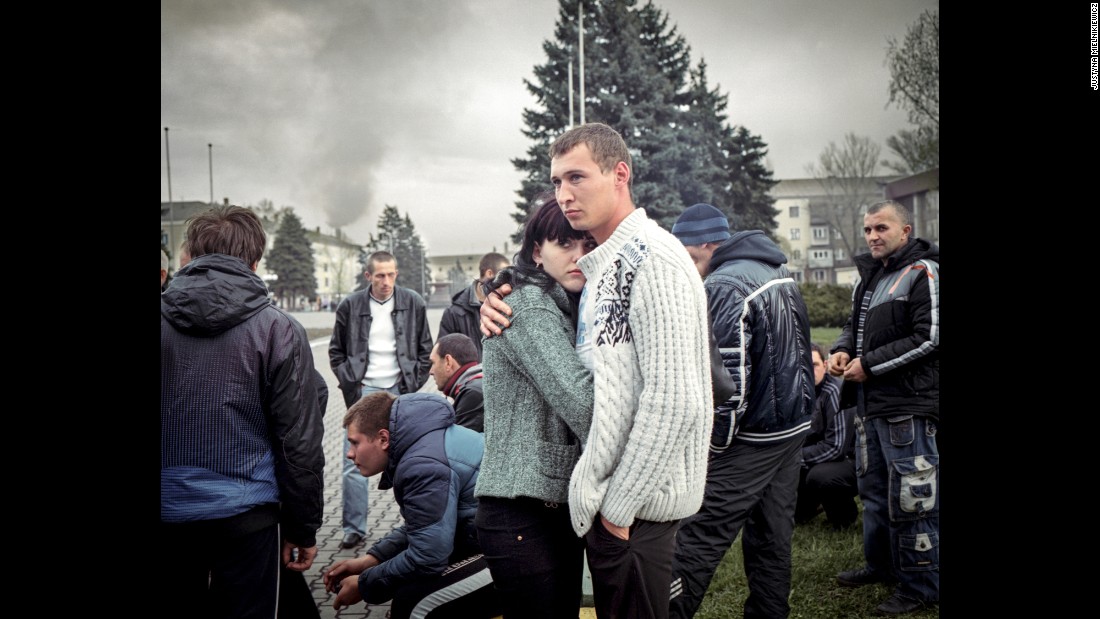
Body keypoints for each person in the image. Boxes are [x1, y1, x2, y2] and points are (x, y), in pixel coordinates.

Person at [483, 123, 713, 619]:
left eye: (577, 178)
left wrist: (617, 509)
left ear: (619, 174)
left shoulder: (653, 259)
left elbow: (675, 402)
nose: (564, 195)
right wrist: (505, 287)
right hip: (588, 507)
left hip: (634, 510)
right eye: (557, 182)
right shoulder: (600, 273)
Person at [161, 204, 326, 619]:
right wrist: (302, 527)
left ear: (192, 256)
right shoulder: (278, 329)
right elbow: (299, 444)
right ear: (254, 261)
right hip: (248, 517)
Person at [666, 202, 815, 619]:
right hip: (792, 427)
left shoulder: (725, 285)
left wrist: (714, 447)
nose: (687, 264)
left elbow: (729, 382)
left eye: (689, 254)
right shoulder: (776, 271)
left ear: (708, 244)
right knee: (772, 536)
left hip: (753, 437)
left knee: (698, 536)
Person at [474, 194, 596, 618]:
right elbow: (582, 401)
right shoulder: (526, 305)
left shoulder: (563, 302)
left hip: (545, 507)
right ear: (537, 253)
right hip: (521, 513)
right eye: (565, 244)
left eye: (588, 245)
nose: (579, 256)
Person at [829, 200, 939, 615]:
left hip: (908, 407)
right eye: (868, 230)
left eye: (882, 228)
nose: (873, 236)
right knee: (873, 494)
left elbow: (929, 337)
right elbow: (851, 328)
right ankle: (883, 566)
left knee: (914, 498)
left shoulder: (922, 272)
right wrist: (841, 351)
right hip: (869, 408)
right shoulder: (868, 280)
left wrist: (869, 365)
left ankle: (922, 586)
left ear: (905, 231)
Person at [324, 391, 501, 619]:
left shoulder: (422, 464)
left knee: (414, 605)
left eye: (354, 443)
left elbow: (428, 557)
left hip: (511, 550)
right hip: (490, 539)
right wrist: (371, 560)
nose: (349, 454)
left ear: (383, 438)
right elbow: (427, 526)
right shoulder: (423, 445)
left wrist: (364, 584)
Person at [330, 250, 434, 549]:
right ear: (368, 276)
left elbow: (425, 349)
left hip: (398, 391)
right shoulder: (350, 305)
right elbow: (336, 351)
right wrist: (351, 380)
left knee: (408, 460)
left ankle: (414, 525)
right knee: (353, 462)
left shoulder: (412, 302)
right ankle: (354, 528)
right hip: (363, 391)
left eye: (391, 274)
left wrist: (411, 382)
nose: (386, 281)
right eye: (380, 275)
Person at [795, 342, 858, 529]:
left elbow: (836, 448)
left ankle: (844, 518)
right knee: (797, 518)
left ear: (824, 365)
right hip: (813, 456)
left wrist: (793, 457)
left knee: (820, 476)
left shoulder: (834, 392)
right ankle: (808, 507)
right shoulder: (797, 392)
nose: (809, 370)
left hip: (850, 460)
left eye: (814, 365)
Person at [439, 252, 510, 359]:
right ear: (489, 273)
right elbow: (443, 356)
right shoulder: (454, 313)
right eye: (504, 275)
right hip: (471, 375)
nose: (508, 281)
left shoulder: (508, 304)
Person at [429, 333, 487, 432]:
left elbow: (459, 444)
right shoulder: (478, 384)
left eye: (433, 363)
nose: (431, 371)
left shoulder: (472, 393)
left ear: (448, 362)